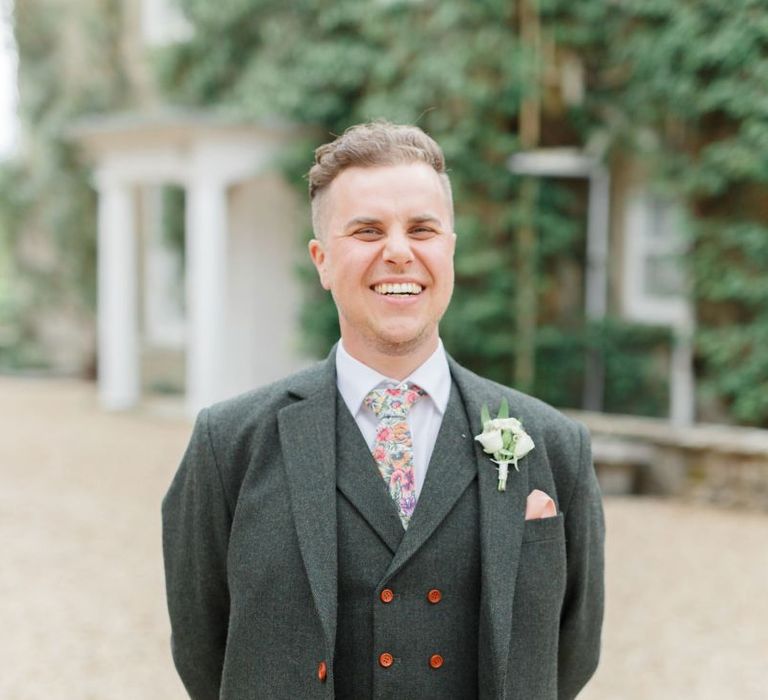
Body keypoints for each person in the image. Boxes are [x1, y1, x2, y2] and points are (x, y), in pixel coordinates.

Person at [162, 121, 605, 700]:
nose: (399, 252)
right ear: (322, 261)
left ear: (449, 249)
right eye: (367, 230)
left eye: (422, 229)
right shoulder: (228, 445)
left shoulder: (554, 445)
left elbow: (572, 651)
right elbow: (203, 649)